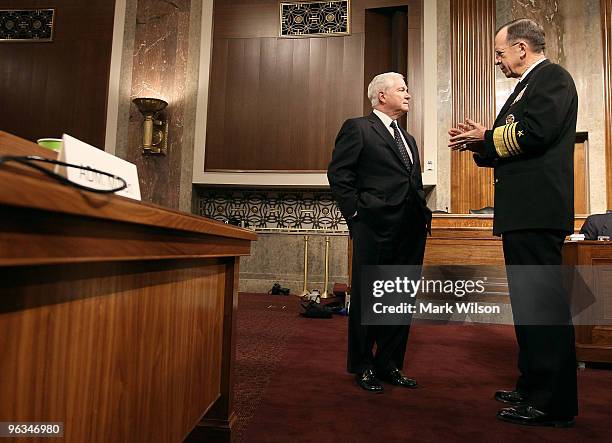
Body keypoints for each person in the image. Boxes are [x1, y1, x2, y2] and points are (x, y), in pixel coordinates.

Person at [448, 19, 578, 427]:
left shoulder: (552, 78)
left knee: (541, 307)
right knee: (528, 306)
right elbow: (502, 146)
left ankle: (552, 403)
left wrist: (488, 136)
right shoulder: (525, 87)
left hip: (537, 210)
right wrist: (482, 141)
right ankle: (531, 385)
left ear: (522, 48)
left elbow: (535, 133)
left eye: (501, 53)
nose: (498, 61)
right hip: (523, 212)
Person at [328, 72, 431, 392]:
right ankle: (363, 366)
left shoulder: (409, 139)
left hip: (410, 229)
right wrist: (356, 214)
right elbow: (339, 173)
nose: (409, 95)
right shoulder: (358, 127)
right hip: (374, 226)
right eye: (402, 89)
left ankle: (389, 363)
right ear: (381, 95)